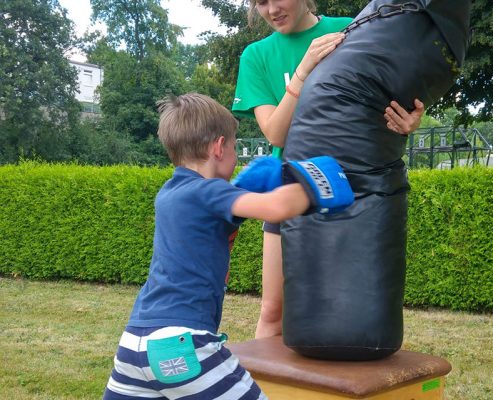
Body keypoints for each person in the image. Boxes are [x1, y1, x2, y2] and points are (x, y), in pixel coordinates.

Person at [102, 93, 353, 399]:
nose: (236, 158)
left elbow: (214, 220)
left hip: (134, 344)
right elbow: (275, 209)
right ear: (219, 147)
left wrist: (242, 190)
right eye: (234, 147)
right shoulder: (208, 191)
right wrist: (317, 185)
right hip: (182, 344)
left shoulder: (170, 194)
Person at [232, 0, 425, 338]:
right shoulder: (256, 55)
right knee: (273, 310)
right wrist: (305, 69)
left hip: (352, 187)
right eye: (260, 2)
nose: (271, 9)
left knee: (354, 309)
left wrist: (409, 118)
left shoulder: (351, 28)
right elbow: (276, 132)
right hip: (289, 190)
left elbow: (387, 96)